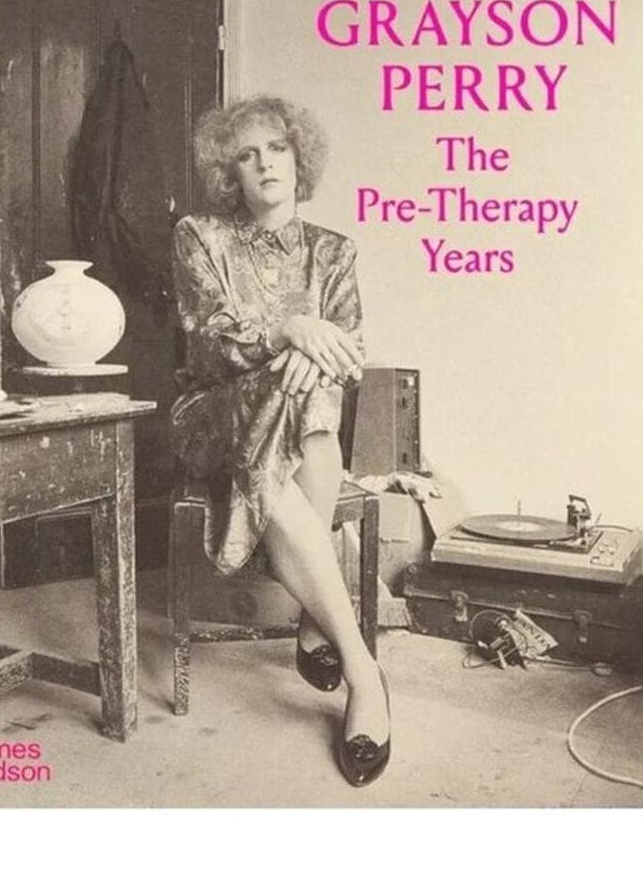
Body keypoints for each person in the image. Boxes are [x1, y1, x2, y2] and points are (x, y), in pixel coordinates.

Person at [170, 94, 390, 786]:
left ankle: (323, 628)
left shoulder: (334, 251)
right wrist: (289, 333)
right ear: (229, 173)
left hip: (301, 422)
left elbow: (349, 352)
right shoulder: (200, 236)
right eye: (247, 154)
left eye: (277, 148)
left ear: (300, 159)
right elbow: (210, 342)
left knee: (312, 390)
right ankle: (361, 666)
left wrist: (313, 358)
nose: (265, 163)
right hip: (213, 416)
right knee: (301, 387)